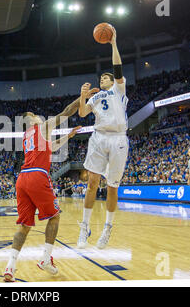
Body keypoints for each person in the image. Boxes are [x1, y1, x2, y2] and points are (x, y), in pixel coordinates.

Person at [3, 96, 82, 282]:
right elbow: (66, 112)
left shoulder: (26, 136)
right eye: (35, 115)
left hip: (22, 179)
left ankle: (10, 266)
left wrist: (68, 136)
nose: (38, 116)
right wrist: (82, 98)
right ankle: (46, 259)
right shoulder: (42, 127)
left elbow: (51, 146)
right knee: (54, 216)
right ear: (32, 120)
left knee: (24, 226)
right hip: (37, 175)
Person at [77, 26, 129, 249]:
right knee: (92, 183)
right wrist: (82, 96)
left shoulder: (118, 90)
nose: (104, 79)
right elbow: (81, 114)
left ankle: (107, 229)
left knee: (112, 187)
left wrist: (113, 43)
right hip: (98, 137)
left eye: (106, 77)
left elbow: (117, 68)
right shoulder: (95, 97)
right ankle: (84, 227)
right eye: (102, 77)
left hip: (118, 139)